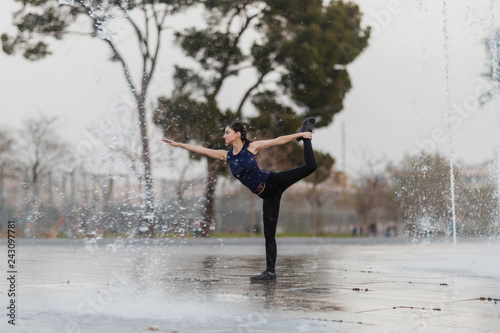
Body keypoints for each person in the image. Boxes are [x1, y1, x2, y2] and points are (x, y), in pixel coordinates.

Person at [162, 118, 317, 283]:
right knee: (269, 235)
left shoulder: (252, 147)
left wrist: (299, 135)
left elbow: (278, 141)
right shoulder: (227, 156)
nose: (224, 136)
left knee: (311, 167)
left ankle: (305, 135)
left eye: (227, 132)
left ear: (238, 134)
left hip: (273, 182)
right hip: (268, 196)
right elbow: (202, 150)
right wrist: (179, 145)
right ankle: (270, 273)